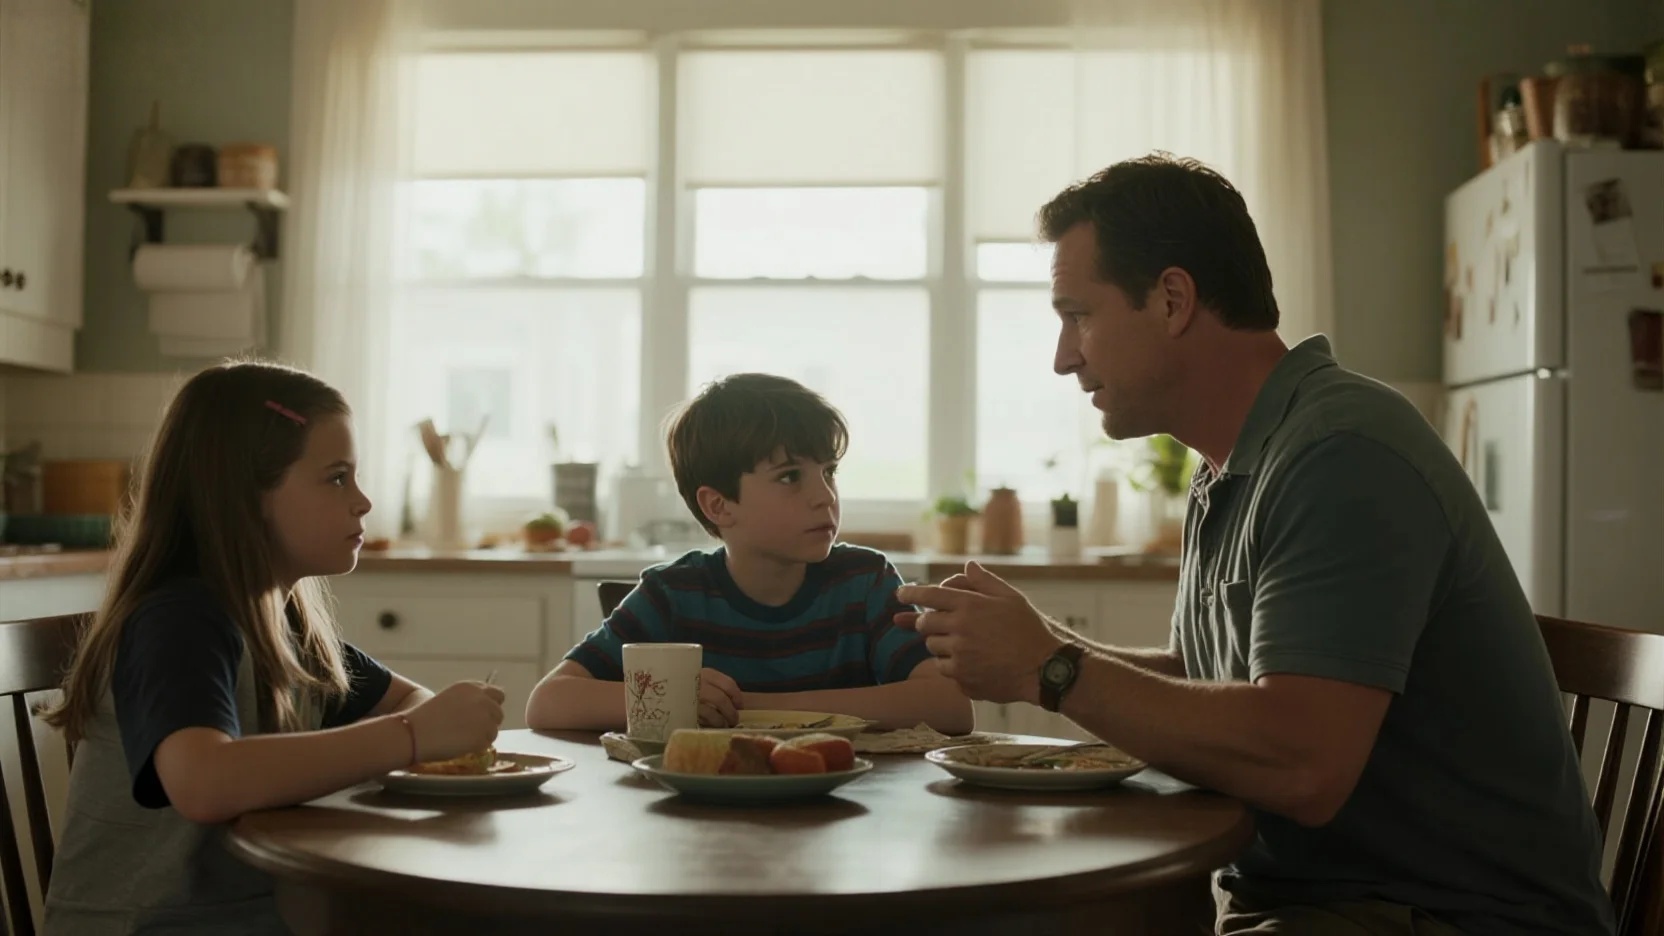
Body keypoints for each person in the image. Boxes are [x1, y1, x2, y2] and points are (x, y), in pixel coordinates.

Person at [898, 155, 1613, 936]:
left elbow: (1303, 763)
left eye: (1079, 316)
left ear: (1172, 300)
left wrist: (1050, 666)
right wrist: (1037, 646)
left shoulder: (1342, 454)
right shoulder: (1234, 464)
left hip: (1448, 920)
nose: (1064, 356)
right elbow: (1211, 690)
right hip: (1321, 908)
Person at [41, 361, 505, 935]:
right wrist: (410, 738)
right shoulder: (178, 620)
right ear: (247, 495)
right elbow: (203, 782)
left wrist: (423, 727)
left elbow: (411, 701)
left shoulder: (283, 623)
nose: (362, 501)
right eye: (337, 478)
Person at [526, 373, 971, 734]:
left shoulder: (865, 581)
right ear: (719, 506)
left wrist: (750, 708)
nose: (824, 496)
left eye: (829, 472)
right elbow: (547, 703)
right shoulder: (673, 593)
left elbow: (949, 706)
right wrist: (672, 697)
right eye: (789, 477)